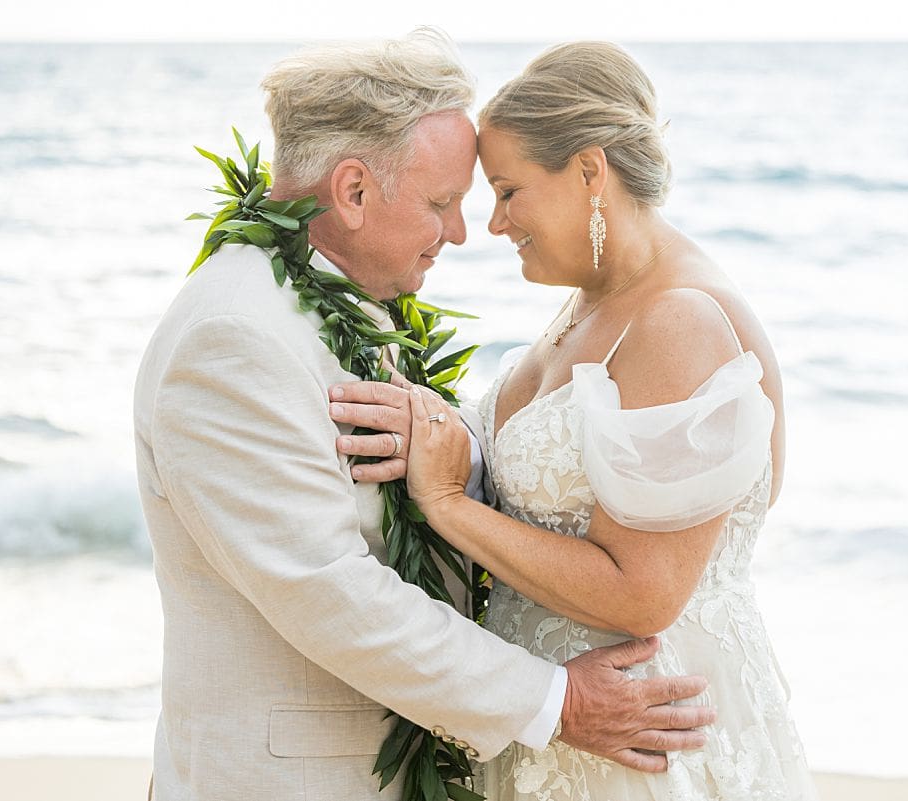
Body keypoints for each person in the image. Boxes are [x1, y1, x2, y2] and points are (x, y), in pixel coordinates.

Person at [133, 30, 714, 801]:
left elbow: (418, 461)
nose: (463, 232)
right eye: (443, 203)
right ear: (354, 191)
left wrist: (461, 461)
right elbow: (328, 590)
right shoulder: (233, 337)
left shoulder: (343, 298)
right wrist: (556, 701)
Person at [333, 42, 817, 799]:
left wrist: (448, 504)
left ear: (590, 172)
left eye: (508, 190)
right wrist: (442, 428)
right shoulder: (596, 298)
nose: (492, 223)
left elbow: (645, 594)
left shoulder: (678, 321)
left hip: (640, 745)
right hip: (562, 729)